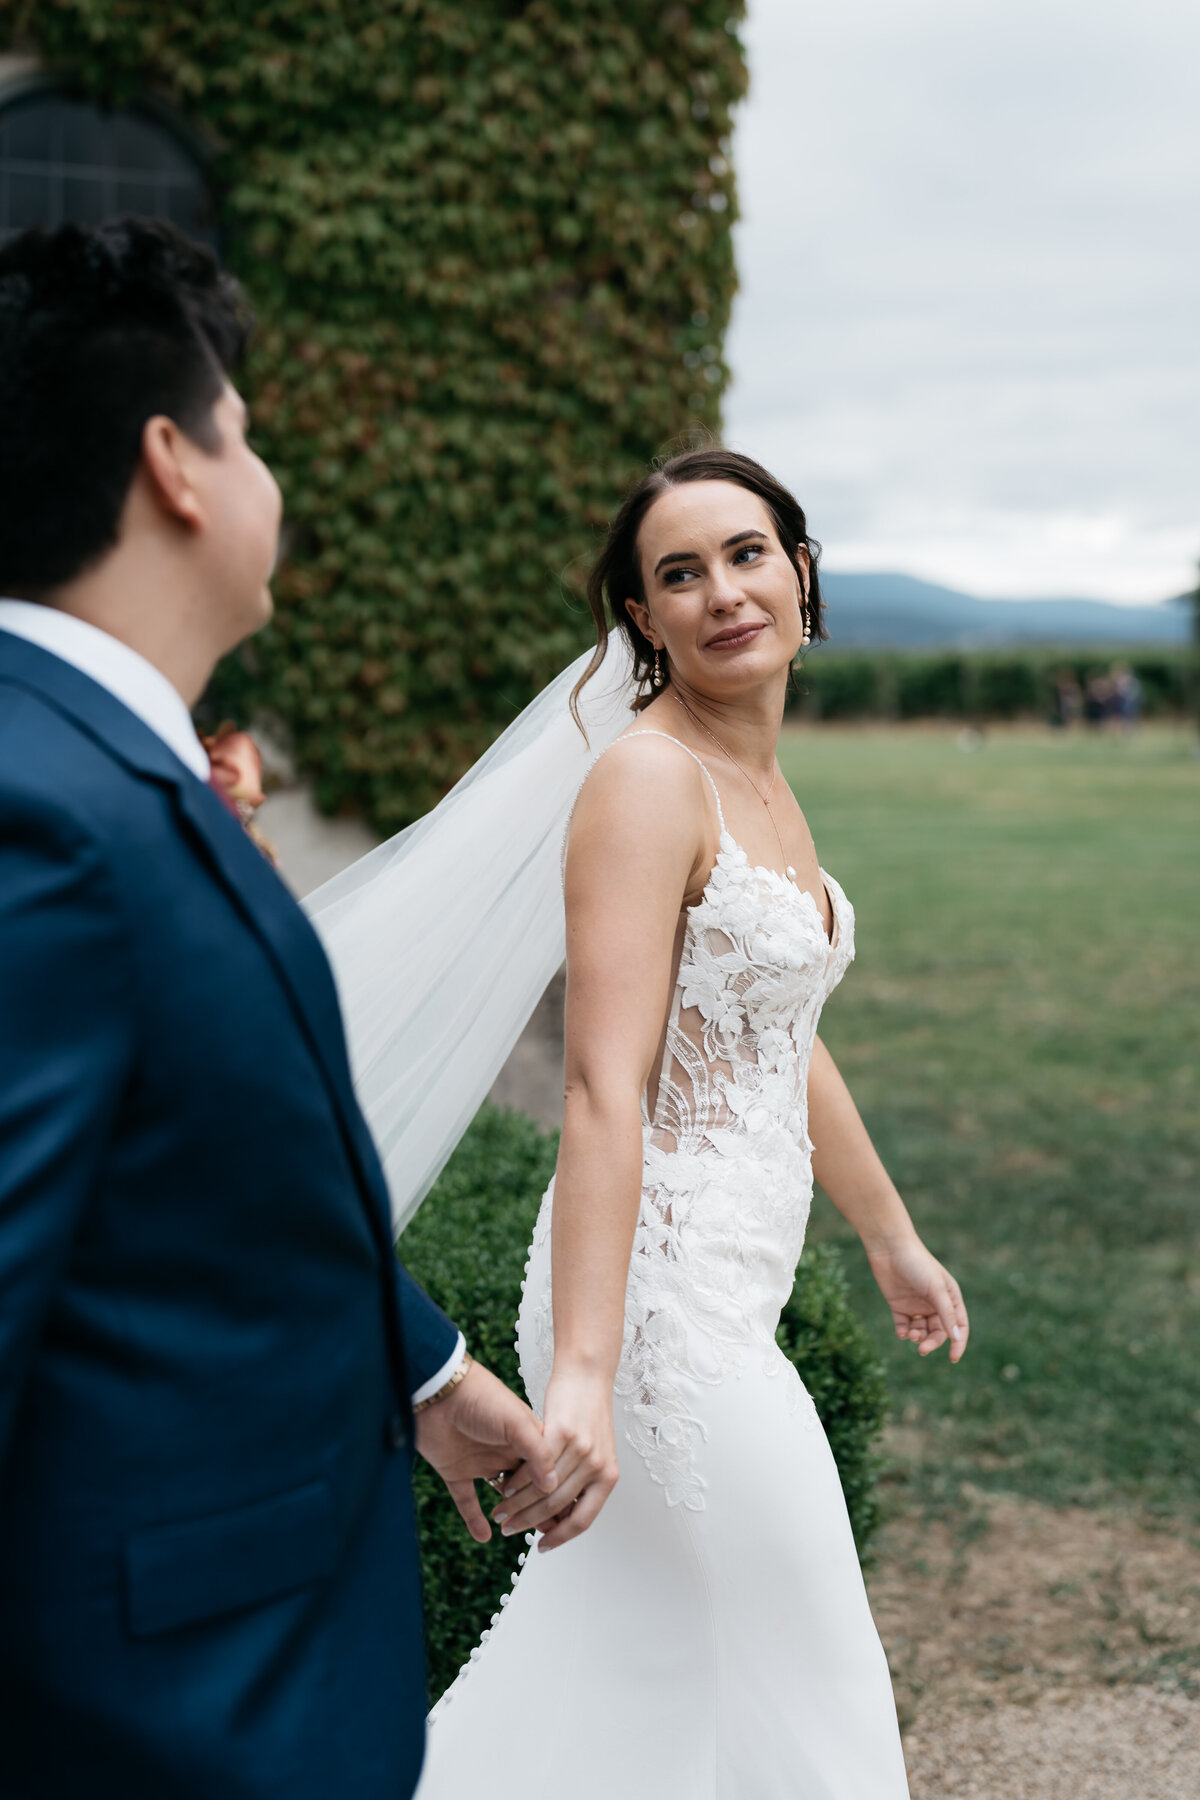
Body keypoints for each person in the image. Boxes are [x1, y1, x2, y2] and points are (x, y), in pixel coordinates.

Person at [0, 219, 566, 1800]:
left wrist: (426, 1374)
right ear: (176, 463)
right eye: (247, 435)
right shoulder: (38, 812)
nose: (269, 480)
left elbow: (198, 1187)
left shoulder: (98, 766)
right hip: (161, 1720)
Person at [412, 449, 969, 1798]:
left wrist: (889, 1238)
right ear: (642, 622)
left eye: (746, 554)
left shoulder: (760, 783)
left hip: (729, 1285)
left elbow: (786, 1038)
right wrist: (589, 1374)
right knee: (820, 1667)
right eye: (679, 574)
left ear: (802, 576)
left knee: (639, 1675)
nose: (722, 591)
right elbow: (606, 1086)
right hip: (655, 1310)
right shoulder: (649, 784)